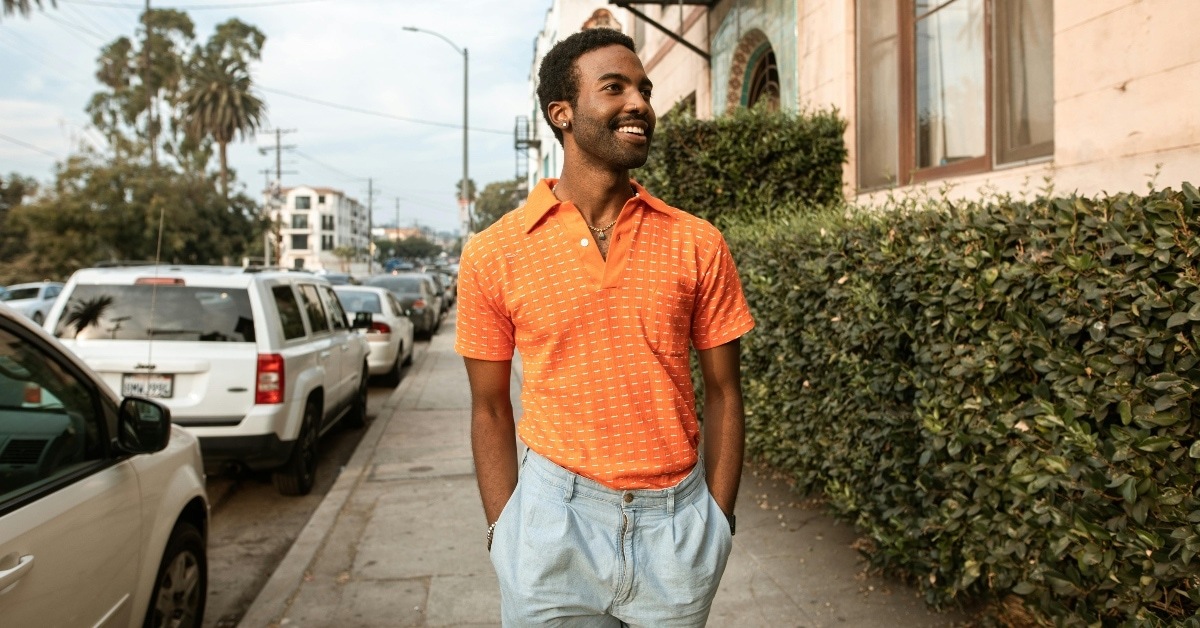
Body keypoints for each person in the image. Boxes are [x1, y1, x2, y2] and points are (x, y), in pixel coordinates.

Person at [455, 27, 754, 627]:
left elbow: (725, 392)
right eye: (613, 87)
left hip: (677, 529)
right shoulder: (494, 252)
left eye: (643, 89)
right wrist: (504, 532)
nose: (639, 103)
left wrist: (718, 523)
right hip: (550, 525)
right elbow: (489, 407)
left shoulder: (698, 243)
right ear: (560, 113)